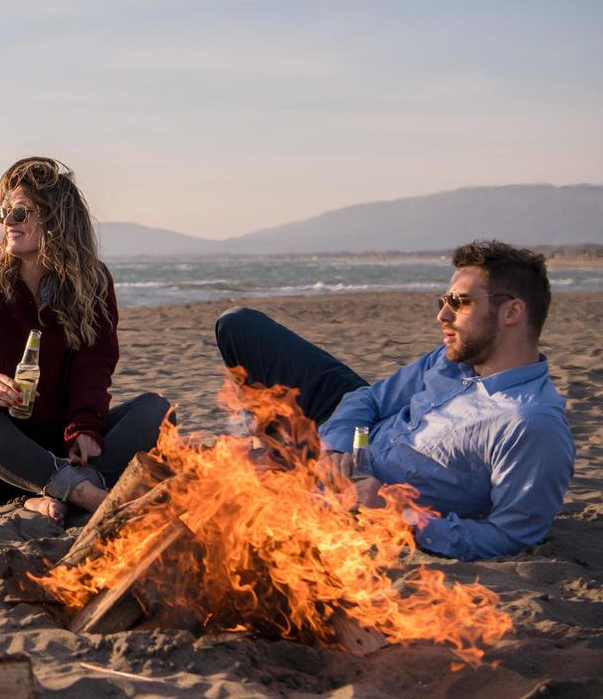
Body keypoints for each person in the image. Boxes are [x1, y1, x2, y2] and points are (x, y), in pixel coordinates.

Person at [215, 239, 574, 561]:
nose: (442, 315)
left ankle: (280, 460)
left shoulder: (530, 424)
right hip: (349, 439)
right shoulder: (453, 359)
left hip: (356, 500)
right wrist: (337, 443)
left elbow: (509, 536)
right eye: (444, 301)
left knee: (208, 485)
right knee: (239, 325)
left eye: (459, 303)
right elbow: (367, 399)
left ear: (512, 313)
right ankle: (279, 448)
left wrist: (399, 515)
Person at [0, 156, 170, 524]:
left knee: (156, 409)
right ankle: (86, 493)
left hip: (55, 447)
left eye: (21, 213)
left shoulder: (92, 283)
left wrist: (85, 427)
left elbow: (95, 365)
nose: (7, 223)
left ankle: (50, 492)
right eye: (4, 213)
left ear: (56, 218)